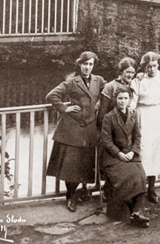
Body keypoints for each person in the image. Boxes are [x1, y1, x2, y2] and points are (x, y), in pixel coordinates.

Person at [46, 51, 107, 212]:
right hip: (72, 128)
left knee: (86, 162)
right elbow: (52, 96)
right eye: (84, 64)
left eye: (90, 64)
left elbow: (110, 91)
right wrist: (65, 108)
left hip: (89, 128)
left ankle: (84, 190)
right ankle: (71, 197)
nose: (87, 67)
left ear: (93, 66)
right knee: (71, 164)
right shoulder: (72, 81)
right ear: (79, 64)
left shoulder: (98, 80)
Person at [100, 90, 150, 227]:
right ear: (116, 100)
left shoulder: (133, 114)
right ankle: (134, 211)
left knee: (140, 175)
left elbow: (137, 137)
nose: (122, 101)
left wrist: (133, 152)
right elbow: (106, 140)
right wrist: (118, 154)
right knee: (129, 175)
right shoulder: (109, 117)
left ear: (129, 100)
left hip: (130, 155)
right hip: (113, 158)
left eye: (125, 98)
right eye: (120, 98)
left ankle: (137, 211)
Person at [130, 52, 160, 204]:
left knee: (155, 151)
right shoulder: (139, 80)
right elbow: (133, 102)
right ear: (144, 67)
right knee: (143, 150)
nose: (152, 69)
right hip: (142, 115)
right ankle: (140, 187)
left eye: (154, 66)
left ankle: (152, 188)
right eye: (149, 67)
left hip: (156, 115)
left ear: (158, 66)